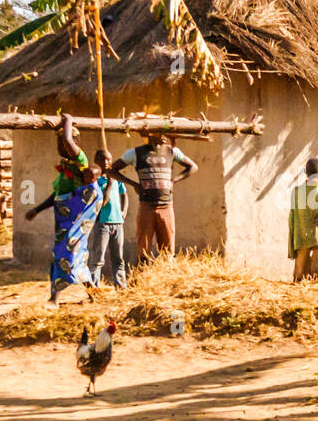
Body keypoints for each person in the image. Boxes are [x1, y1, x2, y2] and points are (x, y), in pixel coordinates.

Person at [25, 114, 101, 307]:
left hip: (75, 219)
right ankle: (92, 293)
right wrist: (37, 209)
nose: (60, 147)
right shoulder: (66, 165)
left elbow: (68, 140)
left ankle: (55, 298)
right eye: (58, 143)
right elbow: (58, 195)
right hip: (63, 220)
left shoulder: (80, 159)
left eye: (63, 143)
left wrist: (67, 120)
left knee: (65, 254)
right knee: (71, 255)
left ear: (74, 143)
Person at [108, 133, 199, 261]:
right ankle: (143, 276)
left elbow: (193, 167)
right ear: (150, 134)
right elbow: (111, 170)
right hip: (146, 206)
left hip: (166, 206)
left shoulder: (172, 151)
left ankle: (165, 276)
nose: (164, 136)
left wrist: (174, 181)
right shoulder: (135, 153)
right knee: (143, 249)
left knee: (168, 251)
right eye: (159, 131)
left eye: (164, 132)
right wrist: (133, 184)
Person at [288, 157, 318, 281]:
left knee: (299, 277)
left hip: (301, 237)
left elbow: (292, 218)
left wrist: (292, 244)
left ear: (306, 172)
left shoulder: (296, 191)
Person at [88, 148, 129, 288]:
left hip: (117, 222)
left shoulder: (116, 178)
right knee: (98, 259)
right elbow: (102, 202)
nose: (106, 162)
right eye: (102, 159)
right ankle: (94, 288)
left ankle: (121, 286)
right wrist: (109, 185)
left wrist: (124, 211)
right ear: (96, 161)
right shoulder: (96, 180)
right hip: (102, 223)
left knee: (118, 258)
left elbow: (124, 194)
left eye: (108, 159)